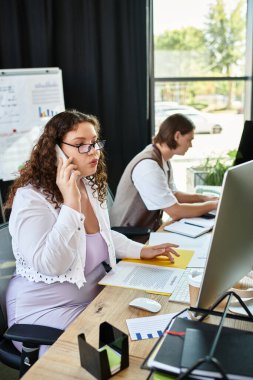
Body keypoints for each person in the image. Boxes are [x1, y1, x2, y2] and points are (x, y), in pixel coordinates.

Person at [5, 109, 179, 357]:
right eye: (81, 145)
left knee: (154, 332)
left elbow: (103, 236)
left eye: (95, 142)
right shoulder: (31, 198)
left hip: (93, 300)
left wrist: (141, 250)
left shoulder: (88, 183)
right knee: (122, 356)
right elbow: (50, 264)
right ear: (55, 151)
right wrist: (71, 203)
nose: (94, 151)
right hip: (42, 312)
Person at [110, 113, 218, 232]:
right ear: (177, 136)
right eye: (189, 140)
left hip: (147, 229)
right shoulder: (149, 166)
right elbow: (175, 212)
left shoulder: (162, 159)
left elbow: (173, 195)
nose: (190, 145)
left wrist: (204, 198)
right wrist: (214, 205)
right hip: (131, 235)